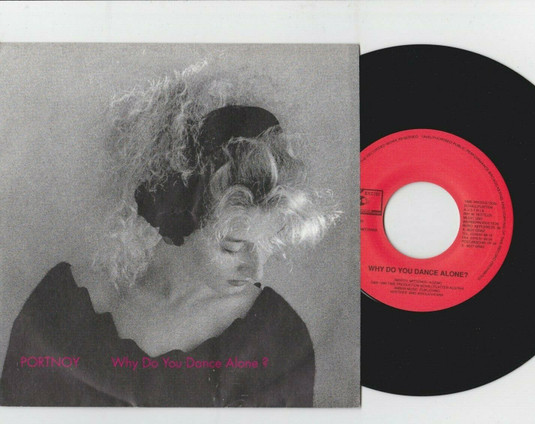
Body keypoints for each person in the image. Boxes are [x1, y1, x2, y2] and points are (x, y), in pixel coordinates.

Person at [0, 67, 336, 407]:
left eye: (267, 245)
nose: (256, 271)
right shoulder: (59, 308)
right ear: (177, 216)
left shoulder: (277, 339)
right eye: (232, 247)